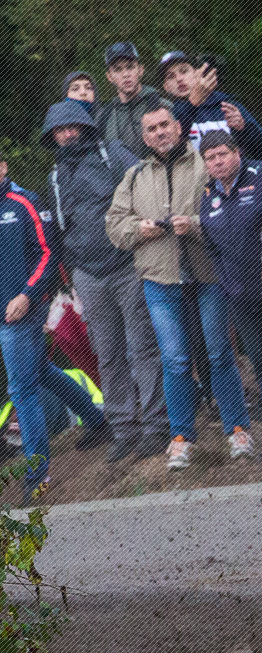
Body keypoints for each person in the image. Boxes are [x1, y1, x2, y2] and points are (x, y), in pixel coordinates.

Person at [105, 105, 255, 469]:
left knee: (219, 353)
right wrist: (139, 230)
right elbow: (114, 226)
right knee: (174, 360)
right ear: (144, 137)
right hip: (160, 279)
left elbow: (230, 211)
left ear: (177, 127)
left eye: (164, 125)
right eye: (151, 128)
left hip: (207, 275)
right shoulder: (135, 176)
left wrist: (196, 225)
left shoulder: (205, 163)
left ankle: (238, 430)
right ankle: (181, 438)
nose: (159, 132)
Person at [39, 99, 166, 460]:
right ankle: (123, 430)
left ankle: (156, 427)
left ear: (85, 126)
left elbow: (147, 188)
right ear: (53, 136)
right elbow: (59, 230)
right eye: (59, 130)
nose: (67, 134)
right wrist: (70, 279)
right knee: (107, 354)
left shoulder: (113, 154)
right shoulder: (55, 175)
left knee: (142, 347)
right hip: (88, 276)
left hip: (127, 265)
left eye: (72, 127)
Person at [0, 162, 111, 501]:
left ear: (3, 167)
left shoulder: (25, 202)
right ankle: (97, 421)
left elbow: (49, 252)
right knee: (42, 372)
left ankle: (38, 475)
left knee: (22, 389)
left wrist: (27, 295)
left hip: (22, 311)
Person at [195, 132, 262, 460]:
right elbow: (212, 248)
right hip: (242, 298)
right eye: (210, 158)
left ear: (237, 152)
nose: (217, 162)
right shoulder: (207, 196)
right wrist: (228, 286)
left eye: (222, 154)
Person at [155, 51, 262, 161]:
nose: (179, 79)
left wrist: (244, 129)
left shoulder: (227, 105)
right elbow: (168, 152)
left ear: (197, 73)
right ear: (166, 87)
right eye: (171, 76)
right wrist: (192, 104)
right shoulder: (165, 116)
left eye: (184, 71)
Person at [97, 42, 169, 159]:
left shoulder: (161, 106)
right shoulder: (104, 116)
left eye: (130, 67)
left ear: (140, 70)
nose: (125, 74)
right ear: (109, 77)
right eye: (118, 70)